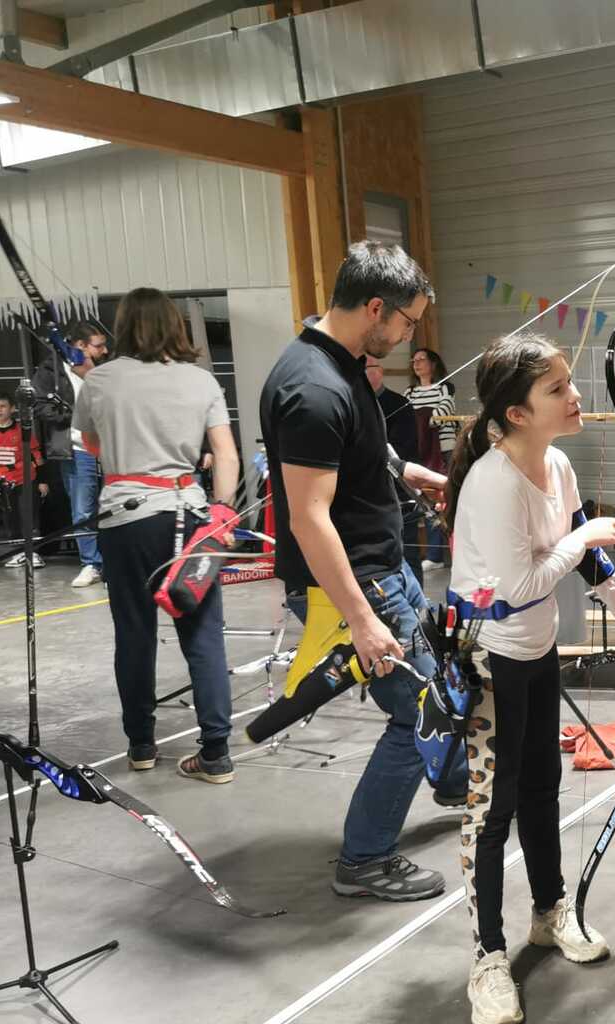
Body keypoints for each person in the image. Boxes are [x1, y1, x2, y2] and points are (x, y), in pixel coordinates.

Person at [444, 331, 615, 1024]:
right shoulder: (493, 482)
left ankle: (547, 913)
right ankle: (487, 959)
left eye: (570, 382)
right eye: (557, 388)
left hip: (535, 654)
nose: (575, 395)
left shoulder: (555, 464)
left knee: (541, 786)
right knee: (491, 809)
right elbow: (522, 586)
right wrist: (579, 539)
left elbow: (590, 562)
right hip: (490, 660)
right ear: (517, 414)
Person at [260, 241, 467, 902]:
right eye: (407, 322)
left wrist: (412, 472)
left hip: (384, 564)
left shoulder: (341, 363)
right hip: (355, 583)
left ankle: (456, 781)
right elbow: (308, 518)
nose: (408, 336)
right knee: (417, 713)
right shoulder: (312, 388)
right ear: (375, 307)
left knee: (439, 685)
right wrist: (362, 620)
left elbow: (361, 449)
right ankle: (365, 859)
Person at [73, 289, 240, 781]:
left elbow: (92, 443)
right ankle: (216, 752)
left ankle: (141, 745)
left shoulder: (99, 379)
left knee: (134, 632)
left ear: (124, 326)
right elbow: (225, 453)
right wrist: (223, 510)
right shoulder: (200, 379)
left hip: (125, 520)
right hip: (189, 518)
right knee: (203, 634)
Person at [27, 319, 106, 583]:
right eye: (98, 346)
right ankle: (92, 563)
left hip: (112, 448)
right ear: (80, 345)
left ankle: (116, 559)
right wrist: (70, 416)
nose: (104, 351)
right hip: (77, 448)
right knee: (83, 509)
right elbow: (38, 404)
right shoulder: (51, 369)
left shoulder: (105, 368)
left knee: (116, 505)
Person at [368, 360, 424, 579]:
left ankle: (416, 596)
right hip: (369, 492)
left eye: (368, 368)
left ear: (379, 373)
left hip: (399, 489)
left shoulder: (399, 404)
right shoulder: (356, 403)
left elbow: (404, 450)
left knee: (408, 552)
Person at [407, 347, 455, 570]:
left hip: (444, 451)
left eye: (421, 359)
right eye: (414, 360)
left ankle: (444, 553)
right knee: (425, 501)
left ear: (433, 363)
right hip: (419, 452)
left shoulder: (445, 387)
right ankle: (434, 555)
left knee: (444, 499)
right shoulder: (410, 392)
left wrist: (424, 417)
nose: (416, 364)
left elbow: (442, 413)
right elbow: (407, 417)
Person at [0, 392, 47, 565]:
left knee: (28, 516)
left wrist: (42, 480)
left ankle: (33, 553)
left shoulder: (22, 431)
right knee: (10, 519)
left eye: (3, 406)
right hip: (3, 484)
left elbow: (36, 455)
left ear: (12, 409)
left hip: (24, 480)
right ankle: (17, 553)